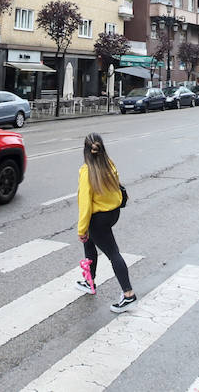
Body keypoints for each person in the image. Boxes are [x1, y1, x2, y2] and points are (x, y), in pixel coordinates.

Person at [76, 132, 136, 313]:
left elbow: (85, 203)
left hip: (98, 218)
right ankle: (90, 281)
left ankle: (129, 295)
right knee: (90, 242)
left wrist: (81, 228)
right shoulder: (109, 164)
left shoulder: (87, 171)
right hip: (113, 213)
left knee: (113, 254)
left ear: (86, 150)